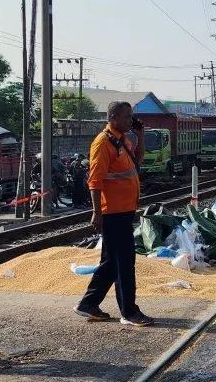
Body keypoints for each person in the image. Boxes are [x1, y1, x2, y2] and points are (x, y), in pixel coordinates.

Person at [74, 101, 154, 327]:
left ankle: (88, 304)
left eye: (131, 116)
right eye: (127, 117)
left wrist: (140, 135)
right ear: (113, 118)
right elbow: (95, 181)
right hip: (113, 213)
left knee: (111, 262)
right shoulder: (102, 144)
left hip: (124, 210)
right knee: (124, 263)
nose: (131, 120)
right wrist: (96, 212)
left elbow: (137, 163)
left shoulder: (121, 139)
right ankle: (129, 312)